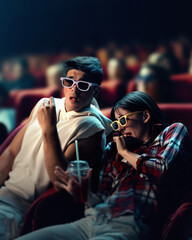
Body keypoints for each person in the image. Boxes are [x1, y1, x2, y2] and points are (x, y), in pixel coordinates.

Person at [16, 91, 192, 240]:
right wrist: (85, 194)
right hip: (93, 220)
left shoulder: (173, 131)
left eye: (123, 120)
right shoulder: (113, 150)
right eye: (116, 124)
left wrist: (126, 153)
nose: (120, 129)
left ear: (145, 116)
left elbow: (162, 170)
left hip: (131, 225)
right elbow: (103, 196)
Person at [0, 56, 112, 239]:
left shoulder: (92, 127)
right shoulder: (46, 105)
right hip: (4, 194)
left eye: (83, 85)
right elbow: (11, 152)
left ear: (96, 92)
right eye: (69, 82)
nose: (74, 89)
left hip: (21, 209)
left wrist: (49, 130)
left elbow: (61, 182)